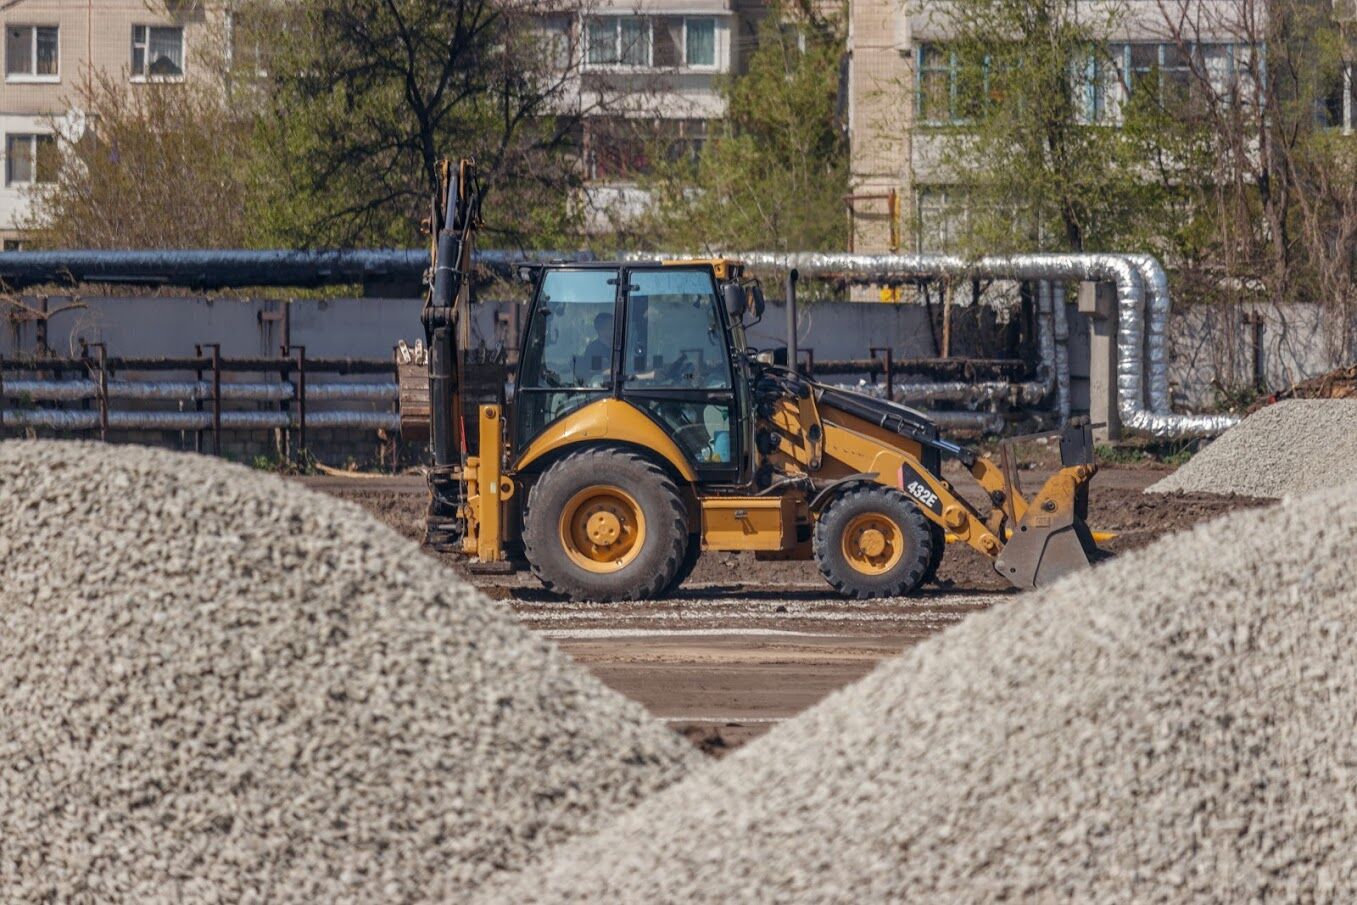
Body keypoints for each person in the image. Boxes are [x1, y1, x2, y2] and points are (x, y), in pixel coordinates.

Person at [582, 312, 613, 377]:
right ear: (601, 330)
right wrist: (613, 371)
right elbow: (596, 373)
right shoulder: (594, 349)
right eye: (611, 328)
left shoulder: (620, 347)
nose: (614, 330)